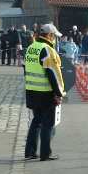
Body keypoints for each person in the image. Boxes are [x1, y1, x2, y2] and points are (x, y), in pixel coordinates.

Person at [23, 24, 65, 161]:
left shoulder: (31, 48)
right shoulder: (48, 50)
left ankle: (30, 152)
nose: (54, 40)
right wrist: (59, 93)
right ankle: (46, 154)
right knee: (48, 124)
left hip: (32, 91)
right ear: (49, 36)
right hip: (46, 93)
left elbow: (26, 69)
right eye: (54, 37)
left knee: (36, 122)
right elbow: (54, 74)